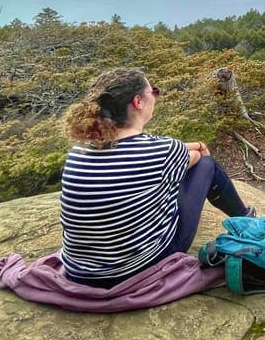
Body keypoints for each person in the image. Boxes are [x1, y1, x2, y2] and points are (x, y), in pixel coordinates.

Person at [59, 68, 253, 288]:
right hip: (136, 268)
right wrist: (199, 148)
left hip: (79, 273)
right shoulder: (161, 152)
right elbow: (197, 158)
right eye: (154, 91)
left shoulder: (78, 151)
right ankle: (247, 220)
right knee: (208, 165)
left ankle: (246, 219)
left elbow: (166, 153)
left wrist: (192, 147)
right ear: (138, 102)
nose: (156, 96)